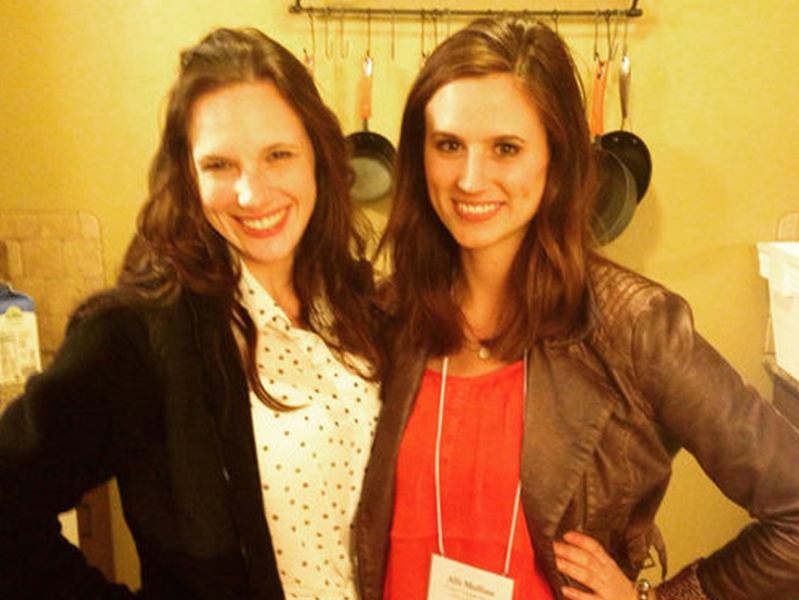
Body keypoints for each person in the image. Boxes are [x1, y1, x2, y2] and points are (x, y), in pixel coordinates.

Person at [355, 17, 799, 600]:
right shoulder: (384, 317)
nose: (469, 177)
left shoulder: (633, 326)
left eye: (506, 148)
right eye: (449, 145)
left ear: (556, 160)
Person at [0, 27, 383, 600]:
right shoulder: (139, 334)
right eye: (220, 164)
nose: (251, 194)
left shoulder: (361, 306)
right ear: (188, 173)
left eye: (278, 154)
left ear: (318, 158)